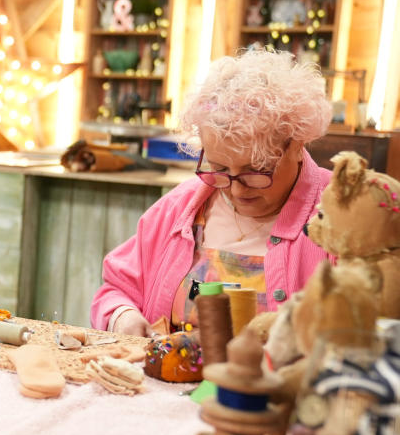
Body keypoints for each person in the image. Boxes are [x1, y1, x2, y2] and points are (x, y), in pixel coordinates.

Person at [90, 48, 332, 336]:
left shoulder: (343, 217)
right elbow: (116, 290)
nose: (235, 188)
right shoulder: (181, 209)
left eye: (254, 170)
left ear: (296, 144)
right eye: (219, 167)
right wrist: (123, 316)